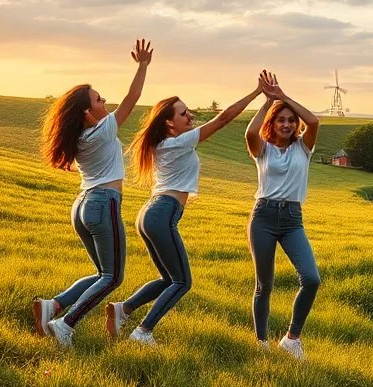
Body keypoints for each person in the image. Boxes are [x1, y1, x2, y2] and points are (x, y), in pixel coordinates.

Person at [104, 79, 268, 345]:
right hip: (162, 213)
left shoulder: (162, 144)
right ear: (169, 123)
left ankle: (123, 309)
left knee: (168, 278)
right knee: (182, 282)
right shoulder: (178, 142)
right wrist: (257, 92)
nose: (190, 115)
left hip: (150, 213)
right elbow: (225, 117)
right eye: (183, 113)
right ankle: (143, 332)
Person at [33, 40, 153, 348]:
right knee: (113, 277)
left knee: (102, 272)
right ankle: (65, 325)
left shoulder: (80, 136)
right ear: (88, 113)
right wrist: (142, 65)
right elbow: (133, 97)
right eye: (99, 100)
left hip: (82, 206)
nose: (105, 103)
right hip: (103, 205)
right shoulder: (102, 129)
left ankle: (54, 306)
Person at [245, 71, 321, 359]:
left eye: (291, 120)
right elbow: (250, 133)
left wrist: (283, 96)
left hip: (292, 219)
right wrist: (268, 102)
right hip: (263, 216)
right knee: (264, 285)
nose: (287, 124)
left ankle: (292, 339)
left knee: (311, 279)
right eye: (281, 119)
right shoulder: (263, 150)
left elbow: (313, 121)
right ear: (272, 124)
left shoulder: (304, 148)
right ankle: (261, 343)